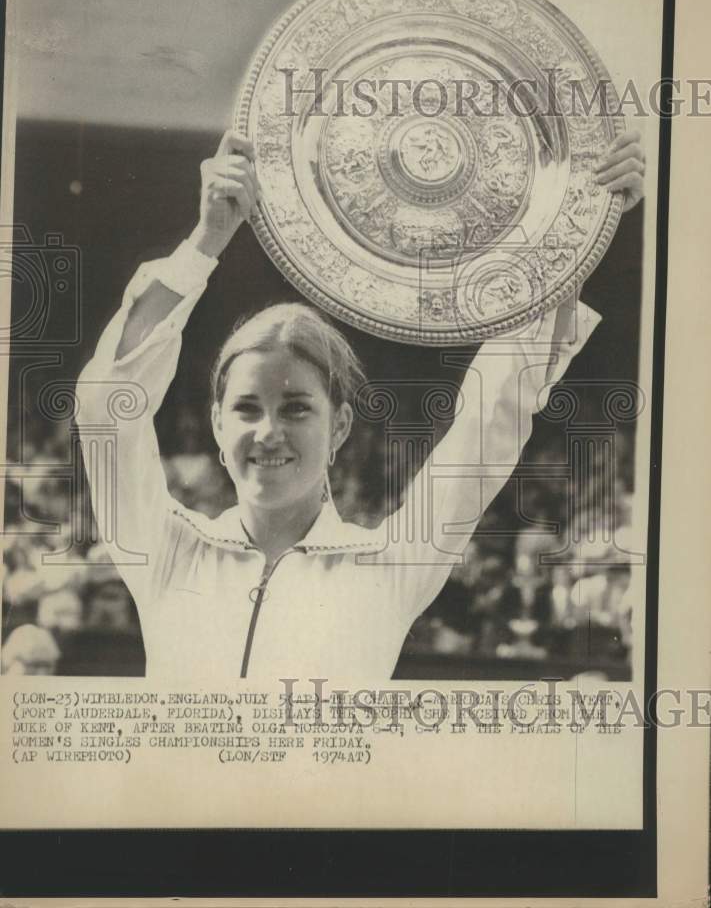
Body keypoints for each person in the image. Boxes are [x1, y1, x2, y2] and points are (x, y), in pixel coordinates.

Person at [74, 128, 644, 682]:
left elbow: (493, 413)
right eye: (247, 408)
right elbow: (104, 408)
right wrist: (206, 240)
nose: (268, 430)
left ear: (340, 425)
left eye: (297, 408)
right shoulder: (166, 545)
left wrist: (578, 224)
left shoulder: (390, 563)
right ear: (217, 424)